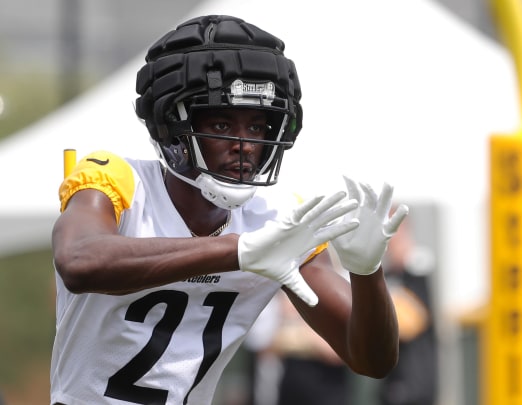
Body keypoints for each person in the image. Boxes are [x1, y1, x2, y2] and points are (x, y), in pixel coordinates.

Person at [49, 14, 408, 405]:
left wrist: (367, 272)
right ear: (171, 128)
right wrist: (239, 252)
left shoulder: (275, 217)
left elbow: (371, 359)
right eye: (222, 124)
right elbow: (79, 261)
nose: (245, 144)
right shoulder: (120, 180)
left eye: (257, 128)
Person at [378, 208, 439, 405]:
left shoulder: (417, 269)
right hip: (391, 383)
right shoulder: (386, 276)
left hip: (416, 383)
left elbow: (412, 322)